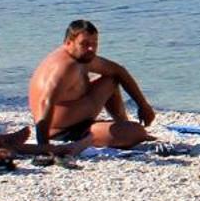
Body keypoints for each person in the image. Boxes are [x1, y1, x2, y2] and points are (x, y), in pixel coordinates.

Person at [26, 19, 159, 156]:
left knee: (111, 78)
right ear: (68, 43)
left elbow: (119, 70)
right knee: (136, 132)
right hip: (62, 131)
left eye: (94, 44)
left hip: (78, 120)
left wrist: (143, 105)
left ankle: (120, 123)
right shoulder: (65, 66)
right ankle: (90, 139)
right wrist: (43, 146)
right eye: (84, 44)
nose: (91, 49)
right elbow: (45, 101)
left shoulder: (80, 57)